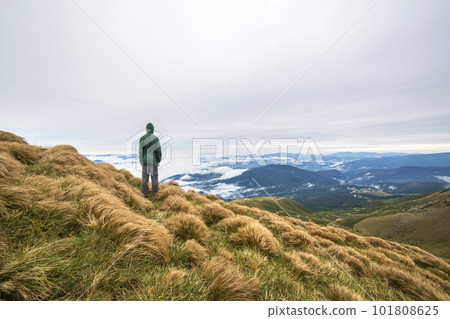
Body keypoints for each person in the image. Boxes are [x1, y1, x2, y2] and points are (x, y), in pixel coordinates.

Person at [139, 123, 162, 197]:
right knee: (154, 178)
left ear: (146, 129)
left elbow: (140, 151)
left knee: (145, 178)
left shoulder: (142, 138)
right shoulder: (155, 138)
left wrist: (141, 161)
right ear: (153, 129)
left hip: (145, 161)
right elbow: (158, 151)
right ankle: (155, 194)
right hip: (153, 161)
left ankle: (144, 194)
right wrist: (158, 160)